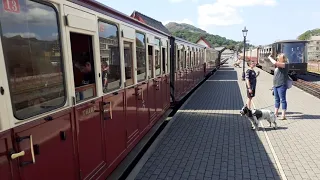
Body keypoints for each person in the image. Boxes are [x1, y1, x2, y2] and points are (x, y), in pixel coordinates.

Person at [268, 53, 289, 120]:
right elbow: (276, 76)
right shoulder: (278, 66)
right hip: (276, 85)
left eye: (278, 57)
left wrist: (270, 57)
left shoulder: (285, 65)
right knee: (277, 100)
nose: (277, 58)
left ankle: (283, 115)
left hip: (281, 85)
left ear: (282, 58)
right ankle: (276, 113)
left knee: (283, 100)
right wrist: (273, 85)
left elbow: (275, 63)